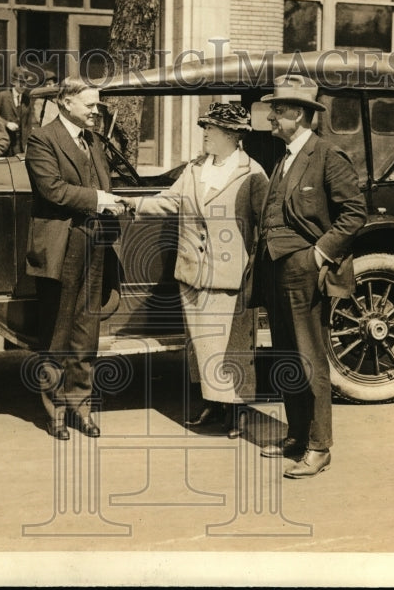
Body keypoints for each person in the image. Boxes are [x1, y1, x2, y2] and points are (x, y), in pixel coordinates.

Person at [120, 103, 268, 438]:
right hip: (192, 273)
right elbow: (172, 201)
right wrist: (133, 203)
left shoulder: (253, 173)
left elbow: (265, 226)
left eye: (210, 129)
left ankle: (237, 411)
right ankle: (213, 404)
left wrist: (253, 272)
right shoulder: (195, 168)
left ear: (231, 135)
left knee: (231, 347)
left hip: (228, 276)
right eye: (205, 127)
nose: (204, 133)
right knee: (202, 344)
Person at [256, 75, 367, 479]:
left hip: (303, 269)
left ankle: (320, 447)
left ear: (300, 115)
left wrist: (319, 254)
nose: (271, 116)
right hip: (275, 269)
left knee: (310, 358)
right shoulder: (285, 156)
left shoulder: (326, 155)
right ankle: (298, 436)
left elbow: (354, 214)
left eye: (279, 110)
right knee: (287, 356)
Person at [24, 76, 124, 440]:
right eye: (90, 105)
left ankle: (82, 407)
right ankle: (56, 412)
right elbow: (52, 189)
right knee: (58, 334)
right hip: (62, 248)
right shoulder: (42, 139)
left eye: (96, 105)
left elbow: (103, 183)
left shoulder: (94, 140)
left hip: (95, 245)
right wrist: (100, 200)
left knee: (87, 334)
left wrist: (107, 201)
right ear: (66, 103)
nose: (96, 111)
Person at [0, 66, 34, 155]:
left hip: (21, 149)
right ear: (14, 82)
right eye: (21, 82)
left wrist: (28, 145)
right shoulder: (2, 96)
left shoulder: (27, 100)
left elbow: (28, 125)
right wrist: (6, 123)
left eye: (26, 83)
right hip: (4, 147)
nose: (24, 86)